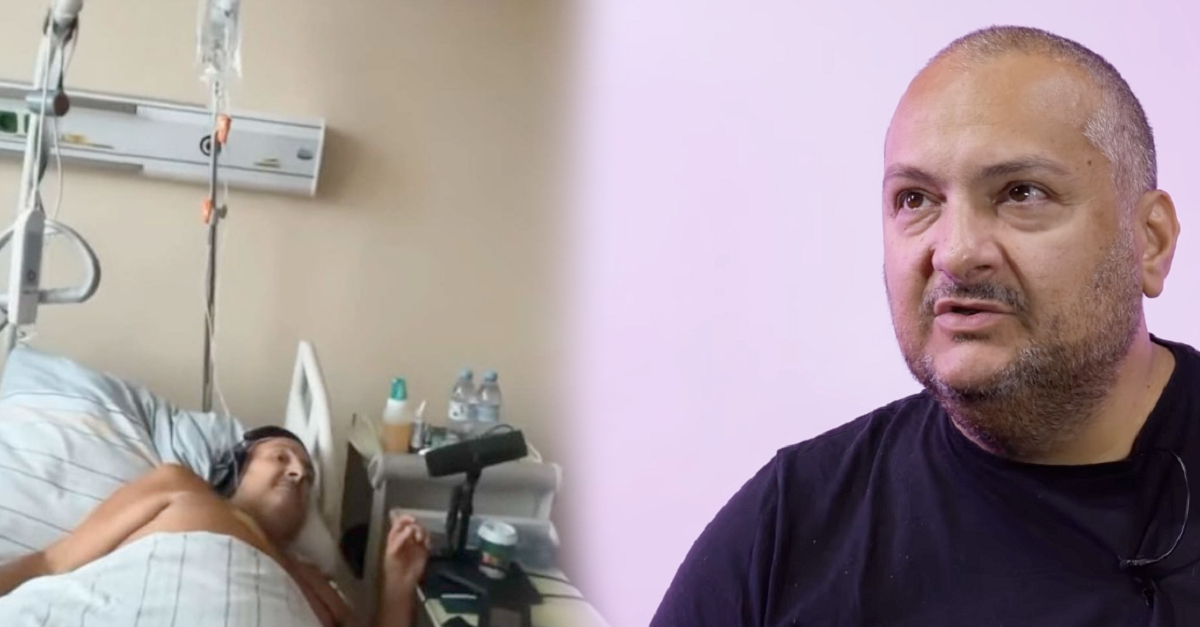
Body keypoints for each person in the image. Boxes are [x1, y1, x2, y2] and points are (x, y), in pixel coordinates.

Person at [652, 24, 1196, 626]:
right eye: (915, 199)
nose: (955, 253)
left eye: (1021, 193)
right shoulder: (788, 531)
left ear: (1150, 241)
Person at [0, 426, 431, 627]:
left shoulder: (319, 587)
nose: (298, 472)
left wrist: (397, 584)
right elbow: (51, 562)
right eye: (281, 457)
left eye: (308, 475)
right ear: (234, 466)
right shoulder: (179, 487)